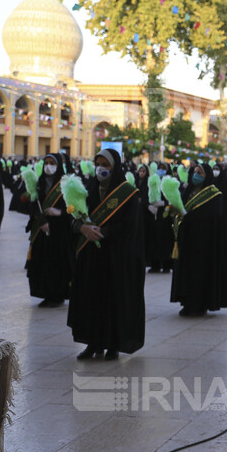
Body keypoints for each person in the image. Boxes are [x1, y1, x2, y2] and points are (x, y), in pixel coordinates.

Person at [68, 149, 145, 361]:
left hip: (116, 258)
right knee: (92, 300)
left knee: (113, 301)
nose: (101, 168)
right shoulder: (88, 190)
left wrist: (103, 233)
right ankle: (93, 343)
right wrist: (82, 228)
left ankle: (113, 344)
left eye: (106, 164)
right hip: (91, 258)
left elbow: (130, 227)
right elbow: (74, 218)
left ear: (116, 166)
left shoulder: (128, 193)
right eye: (98, 163)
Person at [170, 162, 227, 317]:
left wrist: (189, 217)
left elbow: (212, 218)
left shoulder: (214, 194)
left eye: (200, 173)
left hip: (204, 243)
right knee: (186, 273)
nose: (196, 175)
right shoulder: (187, 190)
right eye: (194, 172)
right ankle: (187, 302)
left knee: (200, 274)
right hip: (186, 240)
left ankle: (200, 304)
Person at [26, 153, 73, 308]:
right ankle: (44, 293)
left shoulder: (67, 184)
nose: (48, 166)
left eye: (52, 163)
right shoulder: (39, 182)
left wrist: (61, 212)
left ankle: (57, 294)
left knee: (56, 263)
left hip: (59, 231)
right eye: (46, 162)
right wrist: (41, 220)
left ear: (59, 165)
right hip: (42, 229)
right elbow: (34, 204)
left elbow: (75, 206)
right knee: (41, 262)